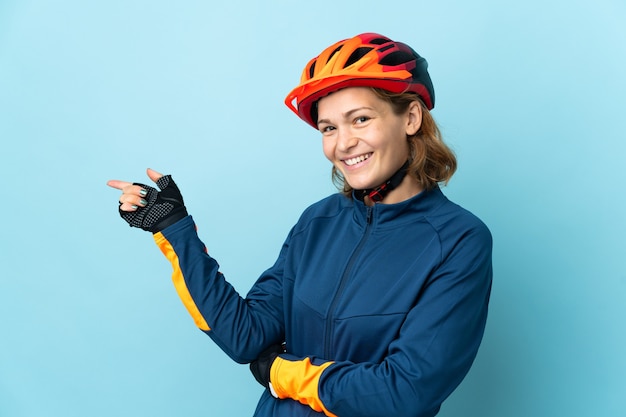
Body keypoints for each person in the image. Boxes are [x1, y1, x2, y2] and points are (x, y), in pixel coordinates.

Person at [107, 32, 493, 417]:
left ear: (410, 118)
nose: (343, 144)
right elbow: (245, 336)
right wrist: (175, 228)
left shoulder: (459, 240)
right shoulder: (318, 221)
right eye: (329, 128)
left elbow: (404, 394)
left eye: (360, 119)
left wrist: (282, 372)